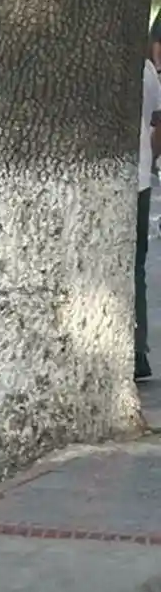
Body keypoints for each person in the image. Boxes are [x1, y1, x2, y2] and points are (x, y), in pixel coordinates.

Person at [137, 24, 161, 381]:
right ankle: (137, 351)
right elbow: (158, 123)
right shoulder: (145, 72)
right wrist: (151, 161)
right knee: (134, 266)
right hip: (139, 180)